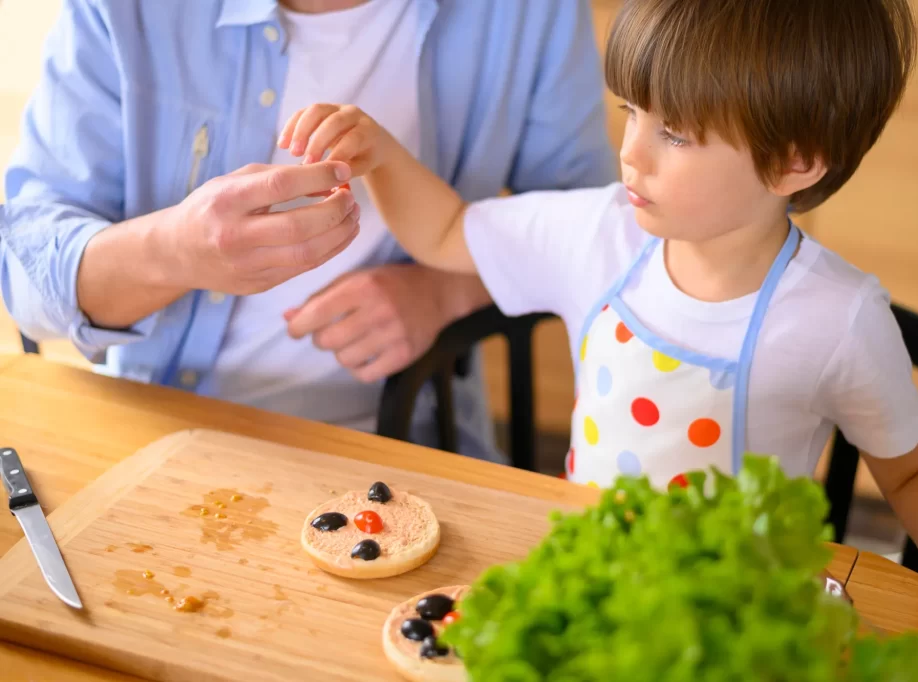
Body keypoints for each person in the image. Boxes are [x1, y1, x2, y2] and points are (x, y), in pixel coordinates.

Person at [282, 0, 918, 678]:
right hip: (596, 596)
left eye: (674, 132)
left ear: (792, 161)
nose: (631, 151)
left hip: (735, 631)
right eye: (631, 111)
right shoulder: (596, 235)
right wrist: (380, 155)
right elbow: (447, 232)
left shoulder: (838, 318)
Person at [0, 0, 616, 463]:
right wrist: (174, 252)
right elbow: (25, 275)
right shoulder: (121, 10)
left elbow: (591, 231)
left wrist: (444, 293)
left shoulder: (530, 13)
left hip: (405, 441)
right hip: (151, 434)